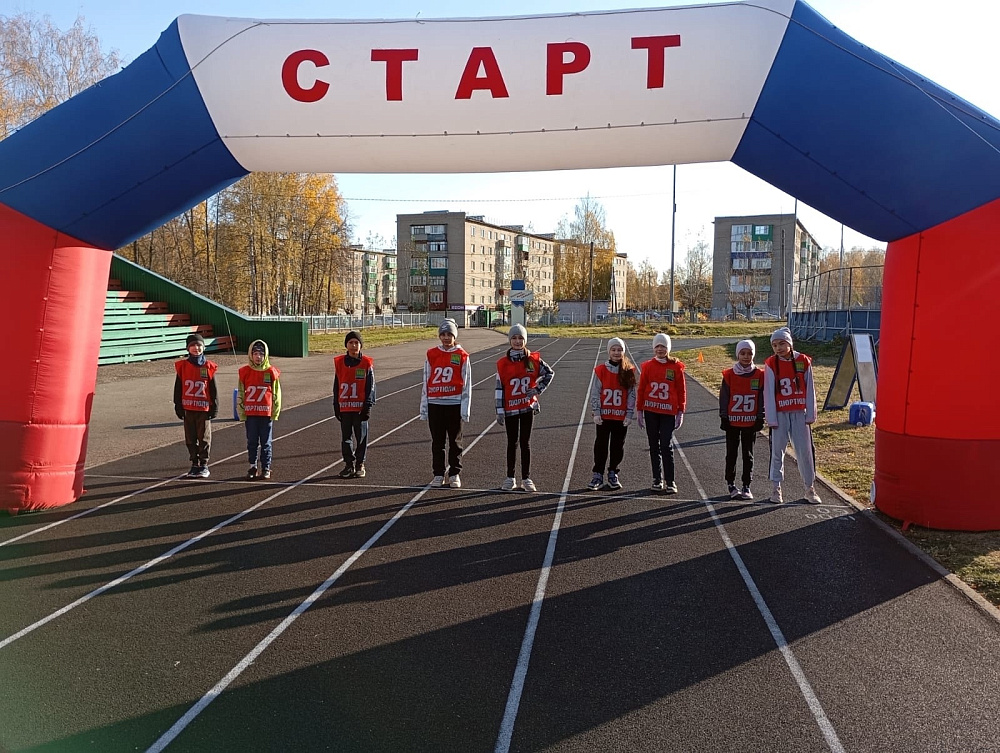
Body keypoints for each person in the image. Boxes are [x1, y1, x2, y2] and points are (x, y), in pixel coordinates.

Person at [763, 326, 822, 504]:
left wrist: (810, 414)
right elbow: (768, 392)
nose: (778, 348)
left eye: (782, 343)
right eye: (774, 345)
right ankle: (776, 488)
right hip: (780, 414)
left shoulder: (803, 361)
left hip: (799, 413)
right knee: (777, 451)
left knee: (804, 451)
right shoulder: (771, 363)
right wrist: (771, 417)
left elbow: (810, 388)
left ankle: (809, 488)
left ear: (789, 343)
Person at [495, 324, 555, 492]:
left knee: (525, 443)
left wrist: (537, 389)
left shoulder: (533, 360)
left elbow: (549, 373)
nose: (517, 341)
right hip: (510, 409)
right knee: (511, 443)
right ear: (510, 340)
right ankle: (510, 477)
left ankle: (526, 478)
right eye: (514, 338)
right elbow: (499, 388)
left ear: (525, 340)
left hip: (527, 408)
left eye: (521, 338)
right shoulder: (503, 364)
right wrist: (499, 410)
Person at [420, 319, 471, 488]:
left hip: (454, 403)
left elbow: (467, 383)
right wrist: (424, 407)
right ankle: (438, 473)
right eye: (443, 334)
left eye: (449, 334)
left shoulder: (462, 355)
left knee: (455, 442)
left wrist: (465, 408)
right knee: (437, 442)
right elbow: (426, 379)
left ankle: (455, 473)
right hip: (435, 403)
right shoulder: (431, 354)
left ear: (455, 336)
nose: (446, 337)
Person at [637, 333, 686, 494]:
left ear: (668, 348)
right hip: (651, 411)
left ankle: (670, 481)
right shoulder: (647, 366)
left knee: (666, 445)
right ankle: (657, 479)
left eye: (663, 346)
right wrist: (639, 410)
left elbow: (681, 390)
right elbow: (641, 389)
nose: (660, 349)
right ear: (653, 348)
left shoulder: (676, 367)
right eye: (657, 346)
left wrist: (681, 411)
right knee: (653, 445)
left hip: (668, 412)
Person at [588, 337, 637, 490]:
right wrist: (596, 411)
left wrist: (629, 414)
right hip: (604, 416)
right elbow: (595, 392)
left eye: (619, 350)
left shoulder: (628, 371)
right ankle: (598, 474)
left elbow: (631, 394)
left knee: (618, 446)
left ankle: (613, 472)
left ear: (623, 351)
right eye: (613, 350)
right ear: (608, 351)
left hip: (620, 416)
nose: (616, 352)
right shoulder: (601, 370)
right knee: (601, 445)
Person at [719, 339, 764, 500]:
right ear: (737, 354)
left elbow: (761, 398)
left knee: (748, 454)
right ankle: (730, 483)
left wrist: (760, 416)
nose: (746, 356)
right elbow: (724, 397)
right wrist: (724, 416)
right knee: (731, 453)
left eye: (749, 353)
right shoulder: (729, 375)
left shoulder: (759, 375)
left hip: (750, 422)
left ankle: (746, 484)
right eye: (743, 353)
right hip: (732, 421)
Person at [173, 332, 218, 478]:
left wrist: (214, 406)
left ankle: (204, 464)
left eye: (199, 345)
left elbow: (213, 389)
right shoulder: (182, 366)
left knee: (204, 437)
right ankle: (194, 463)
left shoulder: (208, 366)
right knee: (190, 438)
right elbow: (178, 387)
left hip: (203, 408)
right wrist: (178, 405)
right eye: (193, 345)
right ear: (188, 348)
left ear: (203, 347)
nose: (196, 348)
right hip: (188, 408)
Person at [333, 330, 376, 479]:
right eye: (351, 342)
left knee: (361, 437)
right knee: (346, 438)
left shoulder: (366, 363)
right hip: (345, 407)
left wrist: (368, 405)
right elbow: (336, 385)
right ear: (346, 345)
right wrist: (336, 404)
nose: (353, 345)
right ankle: (348, 464)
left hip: (360, 408)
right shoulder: (340, 363)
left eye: (356, 342)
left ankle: (360, 464)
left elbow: (371, 386)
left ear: (360, 345)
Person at [238, 339, 281, 480]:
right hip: (251, 413)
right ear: (251, 355)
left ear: (265, 355)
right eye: (255, 354)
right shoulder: (245, 372)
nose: (258, 357)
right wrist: (241, 412)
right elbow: (241, 393)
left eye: (261, 354)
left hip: (265, 414)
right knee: (252, 442)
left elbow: (276, 393)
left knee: (266, 442)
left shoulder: (271, 372)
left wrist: (275, 411)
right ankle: (252, 466)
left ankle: (266, 467)